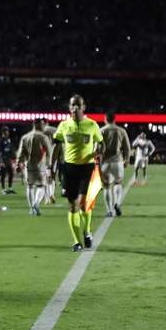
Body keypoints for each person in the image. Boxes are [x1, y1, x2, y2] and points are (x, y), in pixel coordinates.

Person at [51, 95, 103, 251]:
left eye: (78, 105)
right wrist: (51, 168)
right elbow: (56, 147)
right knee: (73, 206)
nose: (75, 108)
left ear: (83, 107)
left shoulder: (92, 125)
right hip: (69, 168)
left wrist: (98, 152)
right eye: (72, 105)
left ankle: (87, 231)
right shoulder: (63, 125)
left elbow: (101, 143)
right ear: (69, 107)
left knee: (84, 204)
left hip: (87, 168)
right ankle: (76, 241)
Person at [15, 119, 53, 216]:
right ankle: (36, 204)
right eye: (42, 124)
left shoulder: (25, 137)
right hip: (40, 166)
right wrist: (49, 166)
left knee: (30, 186)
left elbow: (21, 152)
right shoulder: (43, 137)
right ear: (38, 125)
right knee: (41, 186)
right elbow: (49, 152)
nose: (44, 126)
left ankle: (32, 208)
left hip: (28, 166)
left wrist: (18, 164)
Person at [100, 112, 131, 216]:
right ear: (114, 119)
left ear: (105, 119)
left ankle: (109, 211)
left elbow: (97, 148)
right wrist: (127, 160)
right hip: (118, 162)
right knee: (118, 183)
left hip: (105, 162)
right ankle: (117, 203)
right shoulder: (121, 130)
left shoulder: (101, 130)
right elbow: (127, 147)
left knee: (107, 186)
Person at [41, 118, 59, 203]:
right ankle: (51, 194)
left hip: (44, 157)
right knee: (52, 176)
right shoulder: (53, 130)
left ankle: (47, 197)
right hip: (53, 156)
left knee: (45, 178)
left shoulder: (41, 131)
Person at [0, 126, 16, 194]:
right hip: (3, 159)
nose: (8, 132)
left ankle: (10, 188)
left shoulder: (8, 139)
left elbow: (11, 150)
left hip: (8, 159)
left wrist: (13, 158)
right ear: (3, 132)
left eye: (8, 131)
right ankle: (3, 189)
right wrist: (1, 161)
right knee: (3, 175)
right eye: (7, 131)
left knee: (11, 173)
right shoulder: (0, 141)